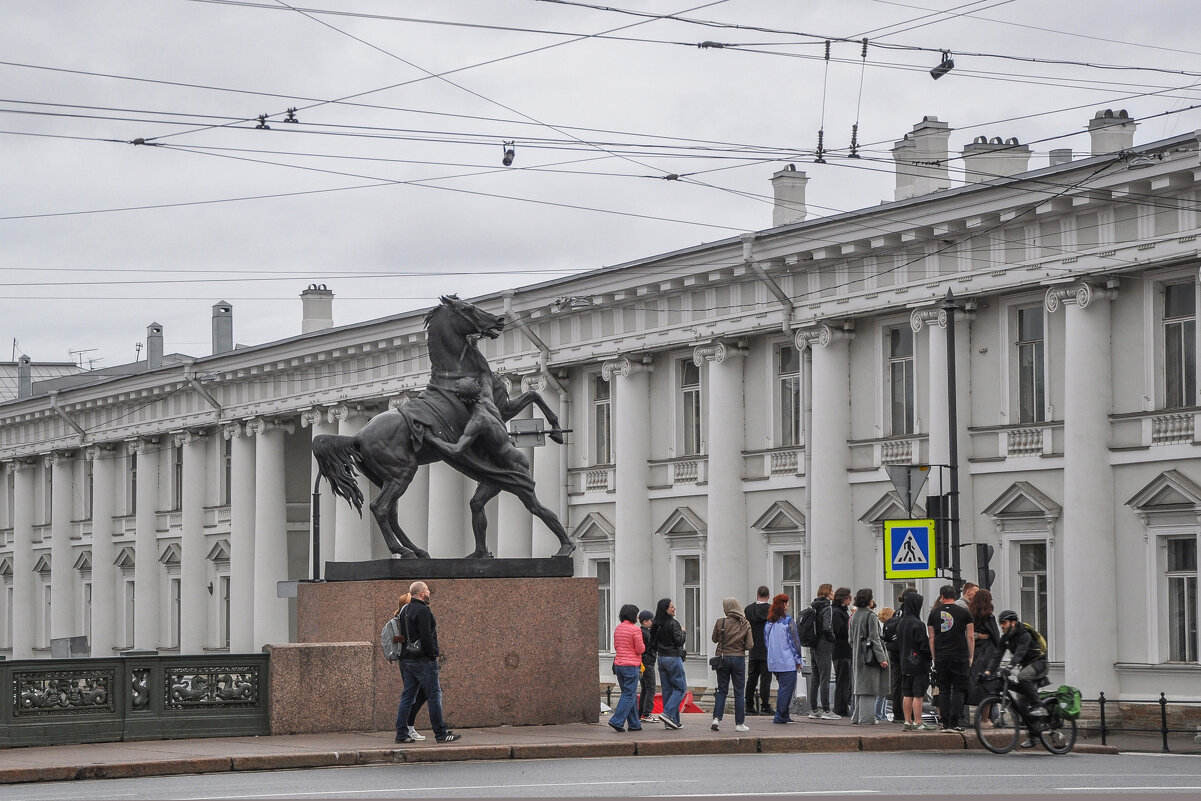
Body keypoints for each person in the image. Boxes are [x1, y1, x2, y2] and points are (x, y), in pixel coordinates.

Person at [394, 581, 461, 743]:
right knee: (434, 696)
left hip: (406, 659)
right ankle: (441, 733)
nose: (430, 593)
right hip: (422, 660)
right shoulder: (422, 610)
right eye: (428, 591)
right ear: (422, 593)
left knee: (407, 696)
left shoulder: (405, 610)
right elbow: (426, 636)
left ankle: (401, 733)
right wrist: (432, 656)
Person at [926, 584, 975, 732]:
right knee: (959, 690)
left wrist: (934, 655)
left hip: (941, 656)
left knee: (944, 690)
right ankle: (955, 722)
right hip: (960, 656)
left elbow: (931, 637)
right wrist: (971, 656)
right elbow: (971, 636)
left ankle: (945, 723)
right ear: (954, 596)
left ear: (942, 597)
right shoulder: (965, 612)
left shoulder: (933, 614)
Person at [984, 609, 1049, 719]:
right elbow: (997, 656)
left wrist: (1009, 667)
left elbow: (1019, 654)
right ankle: (1030, 728)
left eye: (1004, 623)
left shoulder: (1025, 635)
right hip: (1026, 666)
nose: (1001, 626)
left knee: (1022, 676)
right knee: (1021, 703)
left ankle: (1039, 706)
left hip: (1039, 663)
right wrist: (987, 672)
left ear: (1013, 623)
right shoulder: (1005, 638)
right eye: (1000, 623)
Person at [384, 591, 428, 742]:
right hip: (409, 660)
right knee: (412, 694)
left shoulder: (407, 616)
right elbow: (397, 639)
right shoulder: (401, 619)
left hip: (409, 660)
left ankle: (408, 727)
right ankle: (406, 728)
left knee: (417, 693)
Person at [710, 597, 754, 732]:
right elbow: (750, 645)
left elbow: (714, 639)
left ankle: (716, 719)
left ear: (727, 608)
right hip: (739, 659)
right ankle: (740, 724)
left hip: (723, 659)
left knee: (722, 690)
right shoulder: (745, 623)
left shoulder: (720, 622)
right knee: (739, 692)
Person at [896, 591, 937, 731]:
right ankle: (918, 721)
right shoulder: (917, 624)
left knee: (907, 693)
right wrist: (930, 656)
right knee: (918, 694)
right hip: (919, 664)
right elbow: (923, 645)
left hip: (905, 663)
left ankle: (907, 721)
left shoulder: (901, 623)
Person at [849, 588, 889, 724]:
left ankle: (856, 717)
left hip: (857, 655)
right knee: (869, 687)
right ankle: (866, 718)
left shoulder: (854, 616)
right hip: (869, 657)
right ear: (868, 600)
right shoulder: (870, 616)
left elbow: (850, 639)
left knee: (860, 687)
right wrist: (882, 658)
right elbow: (875, 638)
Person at [763, 593, 804, 724]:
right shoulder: (788, 621)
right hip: (787, 661)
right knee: (786, 689)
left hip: (774, 661)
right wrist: (798, 660)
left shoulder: (769, 623)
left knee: (783, 687)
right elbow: (794, 642)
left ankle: (784, 714)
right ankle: (780, 715)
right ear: (784, 605)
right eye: (787, 603)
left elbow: (766, 642)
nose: (788, 605)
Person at [651, 597, 688, 730]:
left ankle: (672, 722)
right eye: (672, 607)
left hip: (661, 659)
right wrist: (683, 632)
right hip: (673, 658)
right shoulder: (674, 623)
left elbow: (652, 644)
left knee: (667, 691)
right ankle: (667, 714)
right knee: (681, 688)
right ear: (666, 609)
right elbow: (679, 641)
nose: (674, 609)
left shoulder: (656, 624)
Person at [609, 604, 645, 733]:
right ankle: (617, 720)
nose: (637, 616)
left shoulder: (618, 628)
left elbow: (616, 646)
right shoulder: (635, 630)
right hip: (631, 665)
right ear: (632, 615)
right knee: (629, 694)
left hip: (619, 665)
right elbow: (640, 649)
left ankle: (634, 724)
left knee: (630, 694)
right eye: (636, 614)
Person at [805, 584, 838, 720]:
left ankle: (813, 709)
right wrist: (832, 638)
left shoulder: (814, 606)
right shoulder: (827, 607)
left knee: (815, 678)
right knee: (825, 676)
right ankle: (826, 709)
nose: (834, 593)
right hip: (824, 645)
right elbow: (827, 627)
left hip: (813, 644)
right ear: (827, 593)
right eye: (832, 591)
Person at [967, 588, 1002, 707]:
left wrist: (976, 636)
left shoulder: (969, 614)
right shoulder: (989, 617)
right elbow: (996, 636)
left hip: (974, 652)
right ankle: (986, 719)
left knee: (973, 683)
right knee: (987, 686)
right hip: (987, 654)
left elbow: (967, 634)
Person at [743, 586, 773, 716]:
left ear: (757, 595)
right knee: (766, 679)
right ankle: (765, 705)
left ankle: (749, 705)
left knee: (752, 678)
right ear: (768, 595)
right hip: (767, 648)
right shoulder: (771, 610)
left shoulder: (748, 609)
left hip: (753, 648)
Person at [831, 587, 853, 717]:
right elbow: (840, 631)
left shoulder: (841, 611)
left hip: (843, 650)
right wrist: (851, 622)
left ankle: (843, 707)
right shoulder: (838, 612)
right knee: (842, 681)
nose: (850, 600)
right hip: (841, 650)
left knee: (845, 681)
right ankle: (841, 708)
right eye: (849, 598)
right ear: (843, 598)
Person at [637, 610, 659, 723]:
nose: (653, 623)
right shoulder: (646, 633)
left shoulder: (641, 632)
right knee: (650, 689)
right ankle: (646, 713)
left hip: (642, 663)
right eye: (651, 620)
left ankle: (640, 713)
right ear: (645, 622)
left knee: (645, 689)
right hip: (648, 663)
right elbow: (653, 646)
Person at [876, 605, 897, 722]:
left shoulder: (883, 628)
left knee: (883, 692)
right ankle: (879, 714)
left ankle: (881, 714)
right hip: (886, 657)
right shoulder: (887, 628)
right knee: (882, 692)